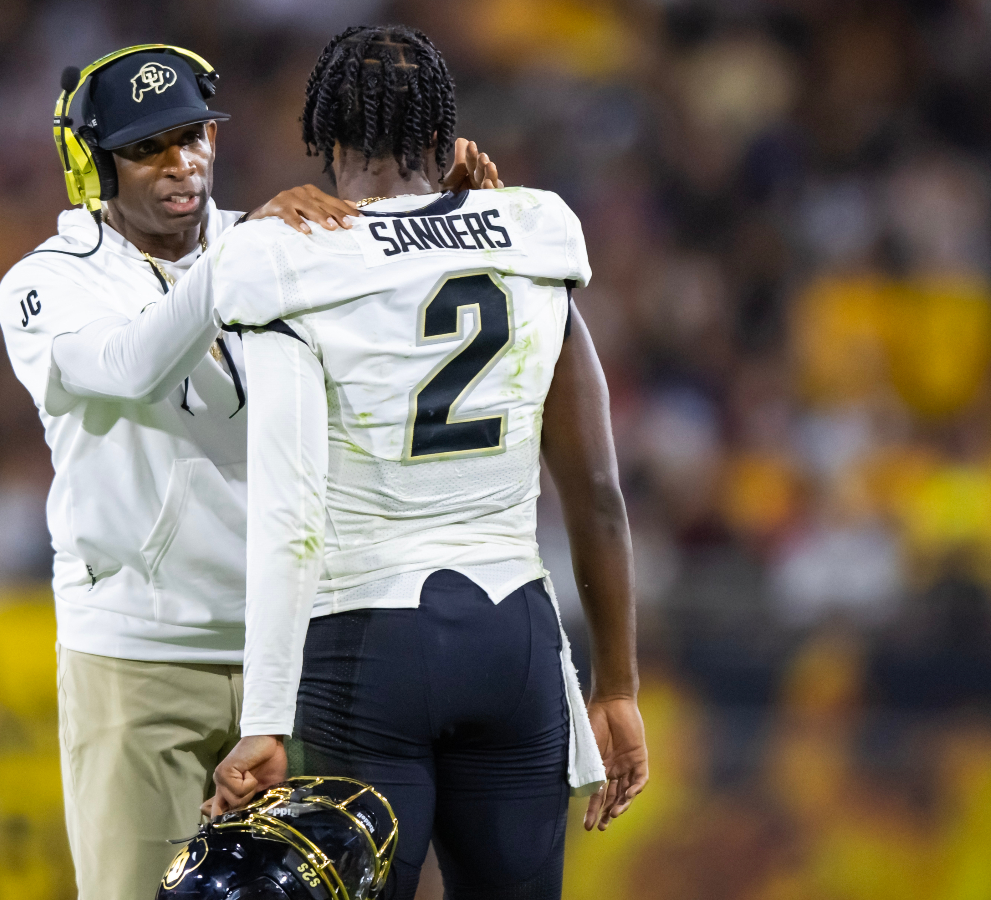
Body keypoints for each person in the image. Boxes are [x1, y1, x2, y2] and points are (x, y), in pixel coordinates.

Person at [0, 44, 501, 899]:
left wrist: (441, 218)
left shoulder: (272, 239)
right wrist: (249, 253)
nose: (181, 162)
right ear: (92, 164)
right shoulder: (45, 282)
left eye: (192, 136)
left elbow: (403, 334)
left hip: (300, 648)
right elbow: (129, 365)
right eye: (147, 147)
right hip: (138, 653)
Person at [183, 26, 650, 899]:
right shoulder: (535, 230)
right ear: (443, 134)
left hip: (366, 642)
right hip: (514, 638)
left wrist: (266, 718)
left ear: (325, 136)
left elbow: (290, 514)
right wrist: (617, 686)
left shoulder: (281, 252)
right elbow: (597, 492)